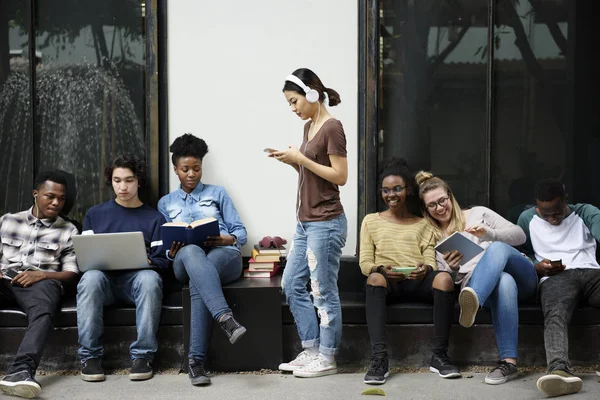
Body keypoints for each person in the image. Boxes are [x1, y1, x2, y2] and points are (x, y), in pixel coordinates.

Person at [416, 171, 538, 385]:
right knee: (504, 282)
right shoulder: (433, 236)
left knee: (498, 248)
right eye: (432, 205)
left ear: (450, 196)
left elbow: (520, 235)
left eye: (442, 200)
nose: (440, 208)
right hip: (483, 285)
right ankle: (508, 363)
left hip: (523, 275)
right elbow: (446, 278)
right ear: (426, 209)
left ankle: (474, 300)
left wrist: (489, 234)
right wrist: (452, 270)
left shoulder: (478, 214)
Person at [271, 68, 348, 378]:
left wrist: (301, 159)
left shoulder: (332, 127)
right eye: (289, 103)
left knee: (323, 290)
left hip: (326, 223)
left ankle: (328, 357)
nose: (293, 108)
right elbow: (313, 175)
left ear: (312, 94)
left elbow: (340, 176)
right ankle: (312, 349)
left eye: (294, 101)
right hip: (305, 223)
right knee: (291, 284)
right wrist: (294, 163)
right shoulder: (308, 128)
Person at [158, 134, 247, 386]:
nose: (191, 174)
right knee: (190, 252)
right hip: (183, 261)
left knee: (200, 281)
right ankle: (225, 319)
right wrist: (172, 251)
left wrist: (225, 239)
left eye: (196, 168)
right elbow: (165, 246)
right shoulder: (166, 203)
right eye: (185, 169)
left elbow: (240, 233)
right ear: (176, 169)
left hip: (223, 257)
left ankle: (195, 362)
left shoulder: (218, 193)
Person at [360, 159, 458, 385]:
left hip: (417, 279)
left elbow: (429, 259)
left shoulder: (422, 223)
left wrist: (426, 269)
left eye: (397, 189)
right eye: (386, 190)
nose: (391, 195)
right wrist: (381, 269)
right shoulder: (371, 221)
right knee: (374, 277)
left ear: (408, 190)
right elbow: (365, 263)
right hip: (388, 280)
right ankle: (379, 359)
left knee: (443, 279)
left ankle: (439, 356)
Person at [76, 154, 167, 382]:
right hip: (103, 283)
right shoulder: (95, 215)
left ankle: (143, 357)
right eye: (117, 181)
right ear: (111, 182)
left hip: (136, 284)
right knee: (90, 278)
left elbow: (163, 261)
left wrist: (149, 263)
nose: (123, 187)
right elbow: (84, 259)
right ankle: (90, 357)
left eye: (129, 180)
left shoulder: (154, 218)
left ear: (139, 182)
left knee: (149, 278)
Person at [0, 170, 79, 398]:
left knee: (45, 308)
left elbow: (71, 273)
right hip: (5, 281)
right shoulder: (7, 221)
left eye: (61, 199)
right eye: (50, 196)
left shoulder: (68, 230)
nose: (56, 203)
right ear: (36, 193)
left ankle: (20, 372)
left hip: (40, 284)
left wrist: (42, 275)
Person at [518, 179, 600, 397]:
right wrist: (536, 268)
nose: (552, 219)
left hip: (591, 271)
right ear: (536, 206)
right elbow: (520, 254)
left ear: (566, 200)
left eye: (557, 212)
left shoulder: (585, 212)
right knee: (555, 314)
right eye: (546, 214)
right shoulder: (527, 219)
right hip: (555, 276)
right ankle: (559, 371)